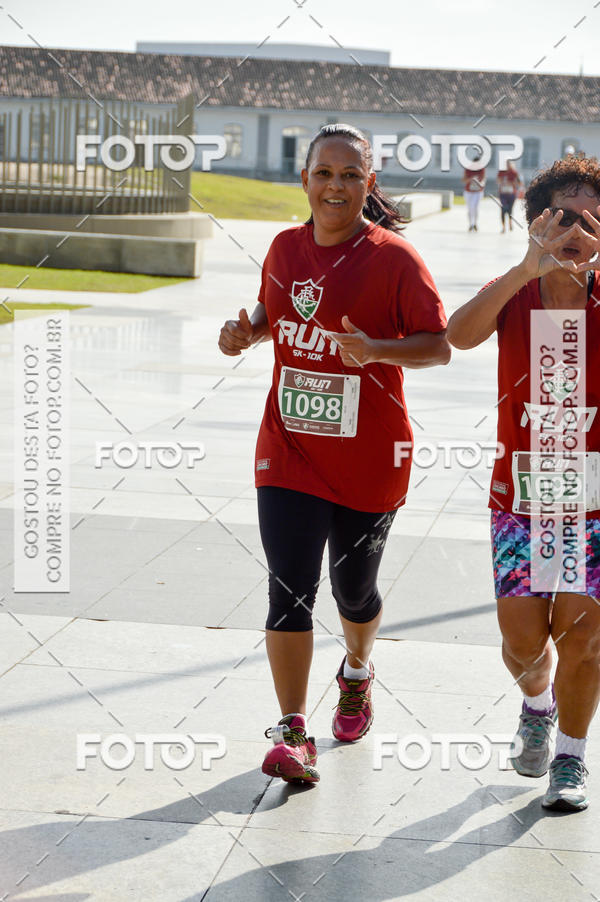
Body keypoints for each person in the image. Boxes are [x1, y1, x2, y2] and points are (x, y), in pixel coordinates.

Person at [218, 124, 450, 784]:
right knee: (289, 586)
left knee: (355, 591)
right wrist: (245, 333)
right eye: (325, 173)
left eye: (351, 175)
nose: (336, 186)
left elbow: (438, 345)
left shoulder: (395, 259)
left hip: (372, 456)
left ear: (369, 185)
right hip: (288, 450)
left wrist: (376, 349)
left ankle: (356, 669)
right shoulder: (285, 247)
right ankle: (293, 732)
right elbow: (271, 312)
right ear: (305, 181)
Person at [447, 156, 600, 811]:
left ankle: (570, 758)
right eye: (560, 217)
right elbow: (457, 334)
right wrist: (523, 270)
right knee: (522, 641)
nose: (573, 230)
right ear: (536, 222)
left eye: (590, 218)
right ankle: (536, 704)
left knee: (584, 636)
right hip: (521, 503)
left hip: (591, 508)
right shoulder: (516, 292)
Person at [462, 151, 486, 231]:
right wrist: (471, 179)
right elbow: (464, 180)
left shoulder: (481, 169)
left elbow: (483, 179)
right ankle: (470, 223)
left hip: (478, 191)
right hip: (469, 191)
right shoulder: (468, 169)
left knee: (475, 207)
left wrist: (480, 183)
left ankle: (475, 223)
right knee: (470, 208)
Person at [497, 159, 522, 232]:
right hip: (503, 193)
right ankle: (504, 227)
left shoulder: (514, 172)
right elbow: (498, 181)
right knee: (503, 209)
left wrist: (511, 183)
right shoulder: (501, 172)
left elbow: (519, 183)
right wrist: (502, 181)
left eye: (508, 164)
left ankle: (510, 223)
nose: (507, 166)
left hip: (511, 194)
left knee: (510, 210)